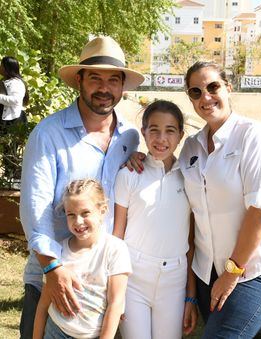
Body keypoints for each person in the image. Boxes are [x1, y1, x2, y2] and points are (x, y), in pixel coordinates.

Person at [128, 62, 261, 338]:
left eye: (213, 87)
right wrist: (138, 157)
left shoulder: (253, 136)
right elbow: (172, 186)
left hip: (251, 268)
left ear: (228, 86)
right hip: (206, 271)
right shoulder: (191, 146)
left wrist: (231, 272)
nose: (206, 97)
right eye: (195, 91)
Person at [19, 35, 144, 339]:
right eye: (95, 78)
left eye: (113, 79)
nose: (104, 88)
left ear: (122, 86)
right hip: (53, 278)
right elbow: (35, 210)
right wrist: (53, 270)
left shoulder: (130, 137)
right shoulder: (48, 135)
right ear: (79, 80)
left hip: (102, 284)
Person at [113, 100, 198, 339]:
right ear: (143, 132)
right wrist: (114, 287)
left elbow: (190, 243)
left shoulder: (189, 177)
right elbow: (117, 236)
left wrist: (190, 296)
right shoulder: (130, 174)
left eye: (170, 130)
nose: (161, 138)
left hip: (174, 280)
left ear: (181, 135)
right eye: (154, 130)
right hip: (133, 278)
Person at [33, 179, 132, 339]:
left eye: (85, 213)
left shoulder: (115, 249)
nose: (78, 221)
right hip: (56, 331)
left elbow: (116, 304)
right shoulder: (57, 250)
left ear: (102, 210)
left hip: (93, 335)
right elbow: (44, 304)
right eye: (71, 215)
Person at [0, 56, 29, 126]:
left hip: (11, 121)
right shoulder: (5, 81)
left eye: (2, 65)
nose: (0, 67)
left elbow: (15, 100)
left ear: (7, 68)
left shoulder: (16, 83)